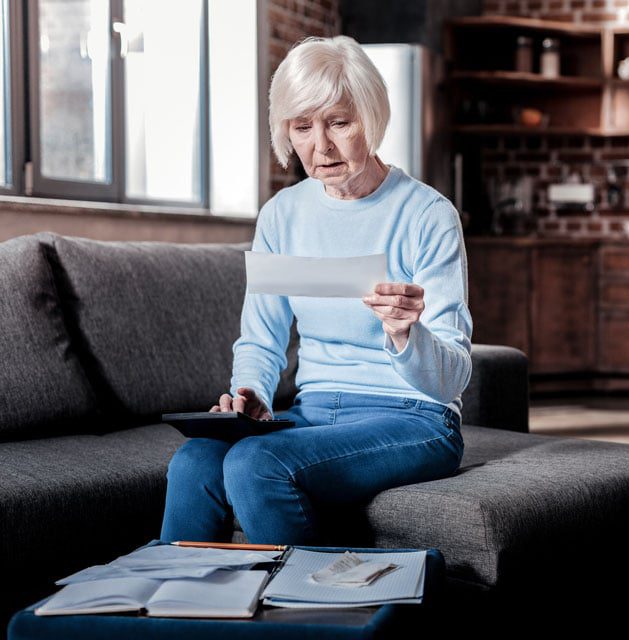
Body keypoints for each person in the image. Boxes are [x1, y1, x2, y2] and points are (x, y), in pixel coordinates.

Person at [160, 35, 473, 546]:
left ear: (370, 119)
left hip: (416, 416)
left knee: (256, 464)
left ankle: (313, 607)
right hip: (315, 409)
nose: (320, 147)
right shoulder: (282, 215)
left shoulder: (427, 215)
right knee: (195, 460)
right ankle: (175, 606)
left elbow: (452, 377)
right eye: (302, 127)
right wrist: (251, 397)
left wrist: (405, 336)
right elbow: (261, 341)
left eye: (339, 122)